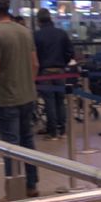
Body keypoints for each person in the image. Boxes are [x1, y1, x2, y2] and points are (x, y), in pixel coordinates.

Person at [0, 0, 39, 197]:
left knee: (10, 146)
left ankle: (13, 191)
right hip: (28, 96)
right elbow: (35, 64)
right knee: (28, 142)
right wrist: (27, 85)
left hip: (7, 99)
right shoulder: (25, 31)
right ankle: (32, 184)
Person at [34, 8, 74, 140]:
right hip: (60, 71)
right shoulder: (61, 33)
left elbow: (34, 56)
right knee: (60, 101)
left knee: (49, 101)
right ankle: (62, 130)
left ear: (39, 20)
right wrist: (63, 62)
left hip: (45, 72)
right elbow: (70, 52)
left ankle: (53, 132)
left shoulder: (37, 35)